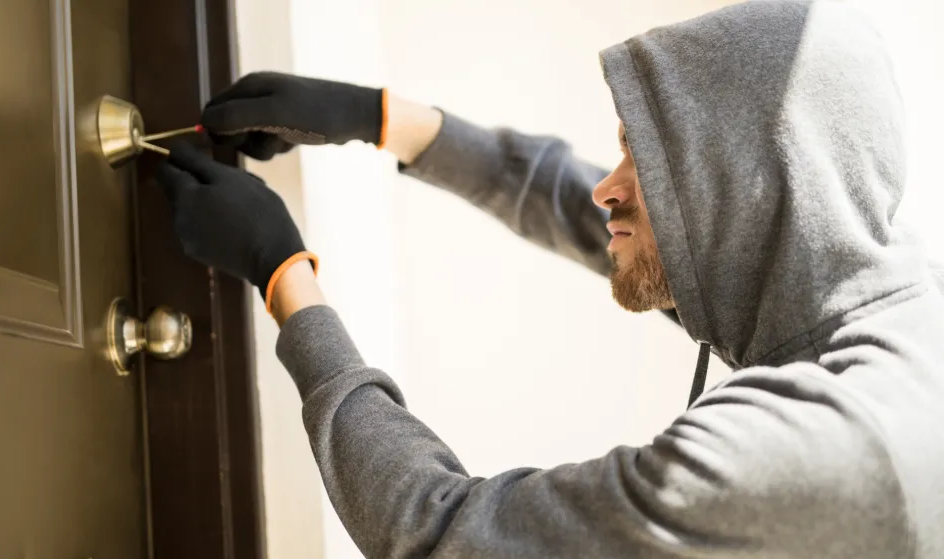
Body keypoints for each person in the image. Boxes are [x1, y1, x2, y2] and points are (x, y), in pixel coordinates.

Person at [155, 1, 944, 557]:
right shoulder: (865, 294)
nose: (609, 186)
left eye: (645, 160)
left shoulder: (802, 451)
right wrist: (383, 118)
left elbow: (438, 532)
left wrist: (284, 273)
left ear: (740, 189)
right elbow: (592, 212)